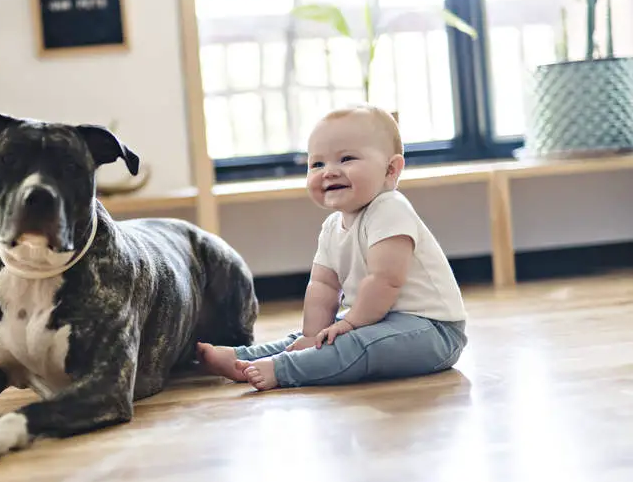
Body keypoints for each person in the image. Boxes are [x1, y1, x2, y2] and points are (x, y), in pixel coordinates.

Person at [197, 103, 468, 391]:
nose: (329, 172)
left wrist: (350, 323)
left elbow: (385, 280)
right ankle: (244, 360)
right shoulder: (331, 227)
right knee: (320, 337)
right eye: (317, 164)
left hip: (432, 331)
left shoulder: (390, 209)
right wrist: (313, 336)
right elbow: (323, 286)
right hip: (377, 319)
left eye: (347, 159)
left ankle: (283, 369)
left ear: (390, 170)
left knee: (352, 343)